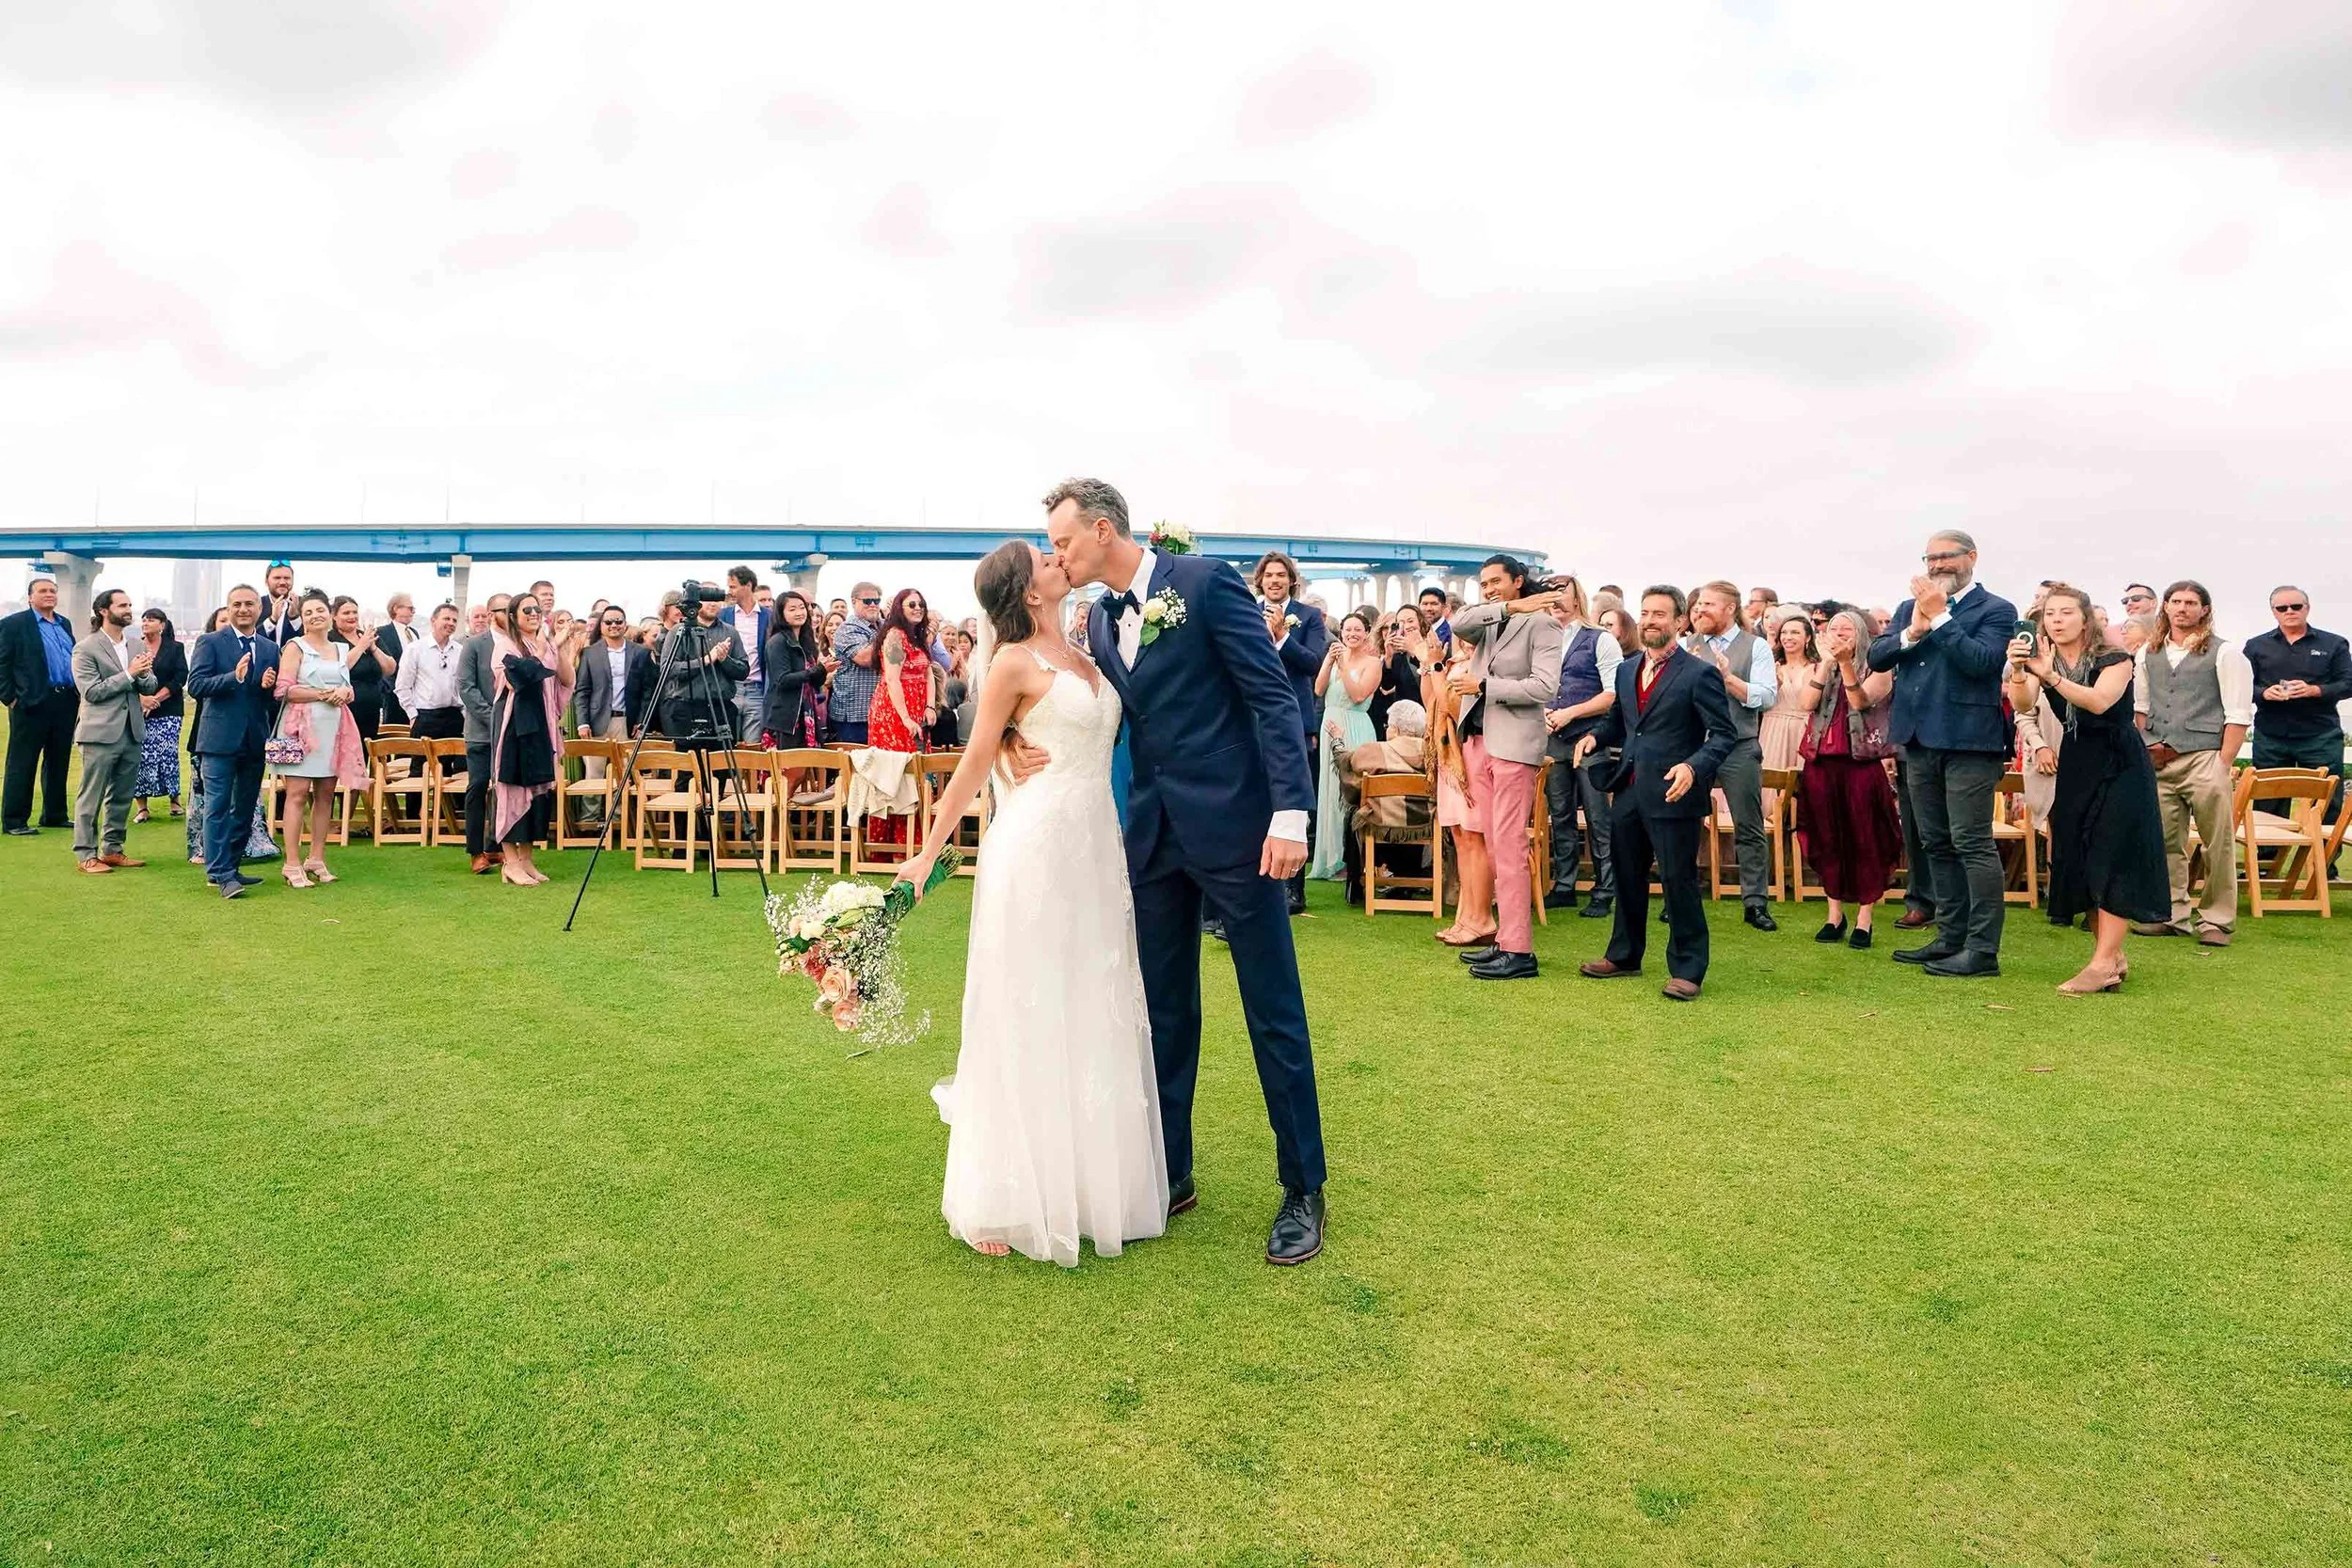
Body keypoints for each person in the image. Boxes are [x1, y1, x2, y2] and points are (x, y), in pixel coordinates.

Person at [1016, 478, 1326, 1265]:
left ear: (1103, 528)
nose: (1057, 555)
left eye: (1062, 542)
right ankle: (1171, 1170)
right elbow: (1081, 697)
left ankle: (1303, 1186)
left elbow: (1270, 698)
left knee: (1272, 1010)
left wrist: (1289, 814)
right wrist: (1018, 738)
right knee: (1161, 1014)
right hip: (1151, 839)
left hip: (1239, 832)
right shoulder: (1092, 616)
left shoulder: (1203, 582)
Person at [894, 540, 1167, 1266]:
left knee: (1090, 1001)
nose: (1059, 558)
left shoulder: (1089, 644)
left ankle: (1083, 1184)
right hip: (1036, 849)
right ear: (1031, 591)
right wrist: (927, 852)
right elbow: (973, 761)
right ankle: (1000, 1192)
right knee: (1024, 1003)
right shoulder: (1014, 662)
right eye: (1045, 558)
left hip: (1094, 849)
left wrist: (1024, 728)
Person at [1573, 586, 1737, 1001]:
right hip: (1628, 791)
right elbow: (1619, 721)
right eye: (1645, 613)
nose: (1649, 620)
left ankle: (1688, 970)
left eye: (1660, 614)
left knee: (1678, 881)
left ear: (1680, 622)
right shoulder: (1627, 670)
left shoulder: (1699, 674)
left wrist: (1692, 766)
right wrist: (1594, 736)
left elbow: (1723, 735)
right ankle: (1624, 956)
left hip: (1674, 794)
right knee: (1627, 877)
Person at [1867, 530, 2018, 979]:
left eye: (1945, 557)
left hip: (1970, 740)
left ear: (1971, 557)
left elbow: (1982, 663)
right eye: (1929, 559)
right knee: (1934, 842)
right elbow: (1877, 657)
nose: (1936, 566)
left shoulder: (1997, 609)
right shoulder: (1904, 609)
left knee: (1971, 841)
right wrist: (1914, 628)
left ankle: (1982, 950)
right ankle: (1950, 938)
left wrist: (1940, 619)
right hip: (1917, 739)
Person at [2008, 586, 2169, 993]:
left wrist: (2050, 675)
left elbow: (2099, 702)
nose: (2056, 620)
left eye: (2066, 612)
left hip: (2121, 764)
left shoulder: (2113, 658)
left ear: (2086, 619)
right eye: (2049, 614)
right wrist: (2021, 671)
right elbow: (2023, 703)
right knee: (2082, 856)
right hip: (2077, 764)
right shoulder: (2046, 660)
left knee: (2113, 856)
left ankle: (2100, 965)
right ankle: (2111, 956)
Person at [1446, 558, 1565, 980]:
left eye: (1497, 581)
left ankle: (1519, 950)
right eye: (1483, 583)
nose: (1489, 588)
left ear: (1519, 580)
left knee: (1511, 848)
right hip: (1477, 743)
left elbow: (1546, 687)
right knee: (1496, 848)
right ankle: (1504, 940)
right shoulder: (1488, 620)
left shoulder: (1545, 626)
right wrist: (1511, 607)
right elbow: (1458, 622)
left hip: (1514, 746)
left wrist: (1484, 687)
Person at [2132, 580, 2250, 947]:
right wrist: (2144, 752)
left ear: (2204, 610)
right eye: (2176, 602)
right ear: (2165, 607)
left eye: (2191, 603)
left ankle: (2217, 919)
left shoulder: (2226, 653)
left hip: (2204, 757)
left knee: (2218, 843)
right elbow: (2141, 708)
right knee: (2165, 842)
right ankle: (2171, 914)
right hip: (2159, 760)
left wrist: (2223, 762)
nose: (2182, 608)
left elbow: (2238, 714)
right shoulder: (2146, 653)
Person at [1793, 610, 1900, 948]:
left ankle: (1865, 920)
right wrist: (1826, 664)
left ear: (1861, 635)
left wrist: (1845, 664)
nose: (1838, 634)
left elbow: (1860, 700)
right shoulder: (1818, 665)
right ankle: (1834, 914)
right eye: (1833, 628)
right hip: (1821, 762)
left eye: (1846, 629)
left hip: (1861, 765)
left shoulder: (1878, 667)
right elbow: (1806, 703)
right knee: (1827, 838)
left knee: (1866, 839)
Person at [1685, 580, 1779, 931]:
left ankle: (1755, 903)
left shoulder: (1756, 647)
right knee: (1685, 823)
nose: (1699, 610)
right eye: (1697, 605)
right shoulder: (1685, 646)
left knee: (1748, 826)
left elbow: (1767, 697)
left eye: (1707, 605)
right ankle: (1684, 895)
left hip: (1739, 744)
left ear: (1729, 608)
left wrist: (1728, 679)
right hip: (1694, 747)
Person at [186, 586, 281, 896]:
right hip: (218, 739)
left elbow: (268, 699)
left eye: (249, 604)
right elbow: (196, 685)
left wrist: (267, 686)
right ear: (228, 608)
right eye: (237, 604)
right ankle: (220, 873)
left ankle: (232, 865)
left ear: (259, 609)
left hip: (254, 738)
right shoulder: (210, 642)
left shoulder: (269, 648)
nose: (244, 609)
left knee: (243, 808)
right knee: (217, 806)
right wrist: (232, 678)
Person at [270, 591, 366, 888]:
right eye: (309, 611)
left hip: (335, 729)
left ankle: (317, 858)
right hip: (300, 730)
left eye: (320, 610)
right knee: (297, 794)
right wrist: (325, 694)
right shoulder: (294, 647)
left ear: (329, 614)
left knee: (326, 795)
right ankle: (292, 863)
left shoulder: (339, 648)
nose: (315, 616)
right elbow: (284, 689)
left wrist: (345, 693)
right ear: (303, 617)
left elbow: (347, 687)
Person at [1540, 576, 1622, 917]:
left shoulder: (1600, 639)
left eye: (1563, 593)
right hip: (1551, 740)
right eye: (1551, 595)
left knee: (1597, 816)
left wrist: (1570, 712)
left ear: (1578, 600)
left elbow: (1612, 694)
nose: (1556, 600)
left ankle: (1605, 889)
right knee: (1559, 816)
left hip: (1590, 737)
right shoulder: (1540, 640)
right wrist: (1542, 711)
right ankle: (1564, 885)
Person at [1254, 550, 1329, 917]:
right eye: (1269, 575)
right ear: (1260, 580)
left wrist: (1283, 637)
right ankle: (1254, 883)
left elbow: (1314, 664)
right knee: (1255, 800)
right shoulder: (1245, 612)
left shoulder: (1310, 617)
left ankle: (1293, 890)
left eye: (1281, 575)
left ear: (1291, 580)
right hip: (1250, 719)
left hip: (1295, 719)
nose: (1274, 580)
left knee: (1294, 797)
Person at [488, 593, 578, 886]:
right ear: (513, 616)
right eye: (526, 609)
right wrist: (541, 649)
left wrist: (559, 647)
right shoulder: (506, 644)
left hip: (542, 728)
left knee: (538, 792)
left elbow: (565, 680)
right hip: (515, 727)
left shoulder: (545, 643)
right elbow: (520, 677)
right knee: (512, 789)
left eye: (537, 609)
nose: (533, 613)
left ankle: (526, 860)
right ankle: (509, 863)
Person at [2244, 585, 2351, 828]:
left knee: (2326, 802)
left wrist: (2315, 690)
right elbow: (2240, 687)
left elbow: (2348, 683)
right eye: (2282, 608)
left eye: (2296, 606)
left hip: (2320, 736)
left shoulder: (2334, 644)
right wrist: (2264, 693)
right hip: (2271, 736)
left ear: (2307, 608)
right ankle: (2264, 864)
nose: (2289, 611)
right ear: (2273, 612)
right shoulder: (2256, 646)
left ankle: (2323, 864)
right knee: (2268, 802)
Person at [70, 589, 158, 874]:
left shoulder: (136, 644)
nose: (129, 609)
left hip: (132, 730)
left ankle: (113, 850)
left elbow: (149, 686)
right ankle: (86, 855)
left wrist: (144, 675)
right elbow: (92, 692)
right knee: (91, 796)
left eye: (130, 604)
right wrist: (131, 673)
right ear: (103, 611)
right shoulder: (86, 647)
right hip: (99, 733)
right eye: (122, 605)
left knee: (122, 795)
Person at [0, 574, 80, 836]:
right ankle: (14, 820)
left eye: (53, 591)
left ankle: (55, 815)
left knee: (59, 760)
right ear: (30, 597)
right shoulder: (14, 624)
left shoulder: (63, 624)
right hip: (30, 702)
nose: (49, 595)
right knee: (22, 762)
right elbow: (3, 663)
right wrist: (9, 697)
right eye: (43, 591)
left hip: (65, 700)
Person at [1308, 610, 1382, 881]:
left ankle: (1353, 858)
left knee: (1351, 791)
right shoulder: (1335, 656)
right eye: (1347, 630)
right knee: (1328, 790)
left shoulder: (1373, 662)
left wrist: (1342, 667)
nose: (1352, 634)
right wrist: (1329, 662)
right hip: (1331, 724)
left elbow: (1359, 693)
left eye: (1357, 630)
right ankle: (1330, 858)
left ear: (1366, 632)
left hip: (1355, 727)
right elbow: (1318, 689)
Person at [574, 604, 656, 825]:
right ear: (601, 626)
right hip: (597, 720)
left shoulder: (640, 653)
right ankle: (589, 821)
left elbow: (649, 691)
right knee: (594, 771)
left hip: (627, 721)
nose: (614, 625)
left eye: (618, 621)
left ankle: (618, 819)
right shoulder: (590, 653)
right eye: (608, 622)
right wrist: (582, 723)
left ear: (625, 624)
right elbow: (582, 691)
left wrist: (642, 721)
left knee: (623, 772)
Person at [456, 593, 511, 875]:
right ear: (491, 614)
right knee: (478, 786)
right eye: (505, 609)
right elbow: (466, 687)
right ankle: (476, 850)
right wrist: (494, 718)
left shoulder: (519, 644)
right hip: (480, 731)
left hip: (511, 731)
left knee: (505, 788)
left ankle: (495, 845)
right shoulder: (474, 645)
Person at [133, 609, 187, 822]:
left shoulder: (175, 648)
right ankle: (142, 807)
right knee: (141, 756)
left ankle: (174, 800)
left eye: (151, 619)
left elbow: (180, 677)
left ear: (162, 624)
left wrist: (157, 699)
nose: (146, 623)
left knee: (167, 754)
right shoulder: (134, 648)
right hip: (140, 710)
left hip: (169, 709)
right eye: (144, 619)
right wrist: (142, 700)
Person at [395, 603, 468, 760]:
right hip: (425, 717)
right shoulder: (415, 649)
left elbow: (462, 685)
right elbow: (402, 686)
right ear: (433, 620)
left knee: (451, 774)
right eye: (446, 618)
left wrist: (463, 712)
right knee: (420, 773)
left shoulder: (460, 651)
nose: (451, 623)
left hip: (453, 717)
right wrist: (413, 715)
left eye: (454, 620)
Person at [760, 590, 828, 750]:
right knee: (788, 769)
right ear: (781, 614)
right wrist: (815, 670)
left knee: (807, 767)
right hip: (786, 715)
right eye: (792, 609)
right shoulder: (777, 642)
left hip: (807, 710)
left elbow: (816, 682)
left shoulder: (807, 641)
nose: (799, 613)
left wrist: (824, 669)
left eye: (802, 607)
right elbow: (782, 680)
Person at [328, 595, 397, 740]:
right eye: (346, 613)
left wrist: (373, 648)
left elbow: (390, 668)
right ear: (334, 616)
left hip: (371, 707)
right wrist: (361, 646)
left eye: (355, 612)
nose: (352, 616)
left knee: (367, 752)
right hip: (345, 708)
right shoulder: (331, 639)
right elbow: (339, 668)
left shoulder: (368, 636)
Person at [719, 564, 772, 742]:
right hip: (730, 688)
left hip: (757, 689)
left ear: (748, 585)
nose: (730, 591)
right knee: (728, 745)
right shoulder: (723, 616)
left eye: (733, 586)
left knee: (753, 747)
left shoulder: (769, 617)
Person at [1760, 611, 1818, 775]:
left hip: (1802, 729)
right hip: (1772, 729)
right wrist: (1775, 685)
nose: (1788, 637)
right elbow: (1759, 702)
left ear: (1807, 638)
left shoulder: (1815, 668)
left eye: (1795, 632)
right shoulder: (1770, 665)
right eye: (1784, 633)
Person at [829, 581, 884, 743]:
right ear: (854, 601)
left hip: (879, 711)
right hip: (853, 715)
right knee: (853, 767)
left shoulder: (883, 626)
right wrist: (888, 634)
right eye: (867, 601)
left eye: (877, 601)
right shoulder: (847, 628)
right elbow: (865, 658)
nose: (873, 605)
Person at [1367, 605, 1426, 739]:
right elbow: (1387, 685)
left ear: (1420, 622)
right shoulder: (1399, 654)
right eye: (1401, 622)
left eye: (1410, 621)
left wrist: (1414, 651)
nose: (1406, 625)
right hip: (1403, 721)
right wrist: (1388, 656)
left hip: (1425, 715)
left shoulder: (1431, 646)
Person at [373, 593, 421, 725]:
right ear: (396, 609)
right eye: (410, 608)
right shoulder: (381, 633)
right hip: (392, 695)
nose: (413, 612)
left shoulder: (414, 633)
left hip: (415, 695)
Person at [258, 561, 299, 647]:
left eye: (287, 578)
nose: (282, 582)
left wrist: (294, 618)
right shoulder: (256, 605)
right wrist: (272, 620)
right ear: (266, 581)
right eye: (277, 578)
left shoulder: (303, 604)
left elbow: (310, 636)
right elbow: (250, 636)